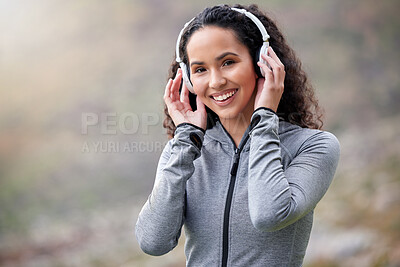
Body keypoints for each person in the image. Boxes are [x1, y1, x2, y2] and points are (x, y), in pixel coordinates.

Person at [135, 4, 340, 267]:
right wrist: (186, 140)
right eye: (200, 70)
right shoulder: (185, 151)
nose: (216, 81)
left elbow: (269, 214)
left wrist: (264, 117)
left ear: (262, 62)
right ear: (187, 79)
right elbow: (153, 242)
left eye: (228, 62)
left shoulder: (312, 146)